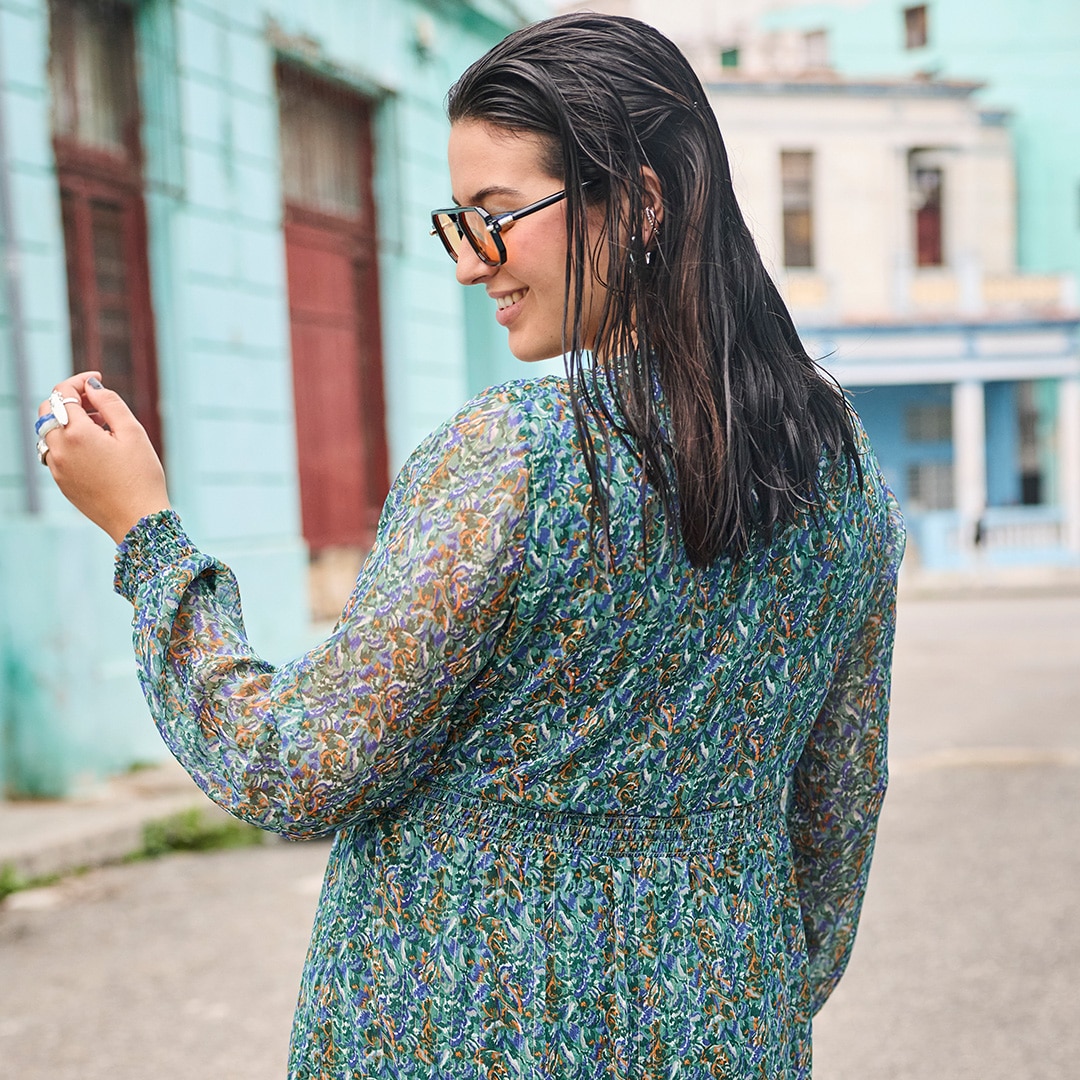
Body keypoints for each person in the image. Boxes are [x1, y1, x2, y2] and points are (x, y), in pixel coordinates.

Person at [37, 12, 903, 1079]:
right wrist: (733, 992)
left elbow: (296, 768)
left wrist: (146, 538)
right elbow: (836, 820)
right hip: (732, 1031)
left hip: (458, 1035)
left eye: (497, 216)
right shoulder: (844, 474)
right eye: (460, 223)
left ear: (641, 202)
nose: (469, 263)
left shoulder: (518, 458)